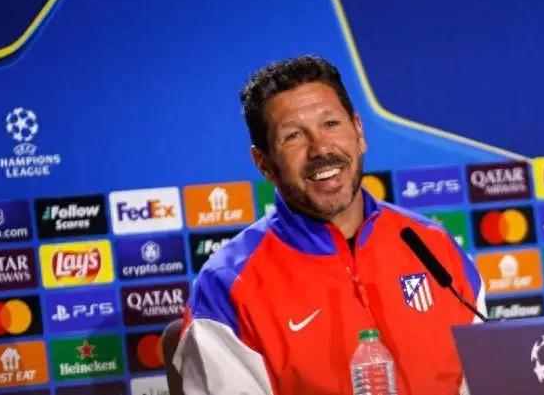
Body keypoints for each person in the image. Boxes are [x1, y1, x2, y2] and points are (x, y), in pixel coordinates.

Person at [172, 56, 485, 394]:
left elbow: (483, 382)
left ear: (359, 132)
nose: (321, 149)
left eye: (331, 124)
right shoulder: (228, 285)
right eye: (293, 136)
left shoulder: (434, 246)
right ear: (264, 163)